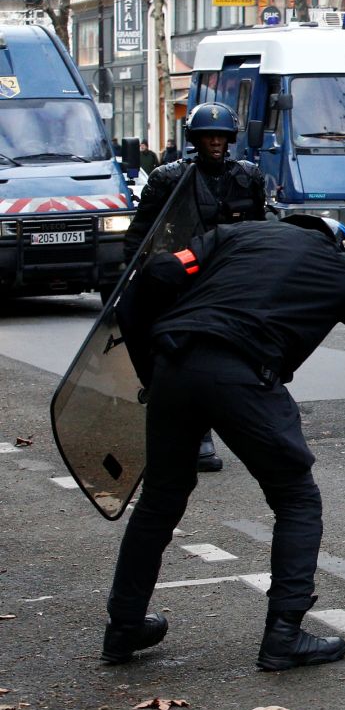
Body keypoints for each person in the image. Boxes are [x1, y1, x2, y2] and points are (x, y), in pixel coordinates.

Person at [101, 217, 345, 671]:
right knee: (296, 498)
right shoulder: (336, 265)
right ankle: (284, 634)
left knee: (160, 501)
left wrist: (156, 374)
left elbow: (154, 277)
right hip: (242, 370)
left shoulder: (235, 236)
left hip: (174, 364)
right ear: (338, 243)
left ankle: (123, 627)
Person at [125, 102, 267, 473]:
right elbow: (141, 236)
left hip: (230, 281)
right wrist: (135, 278)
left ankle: (254, 430)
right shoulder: (168, 178)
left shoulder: (248, 177)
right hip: (183, 277)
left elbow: (260, 231)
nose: (215, 143)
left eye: (221, 136)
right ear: (195, 140)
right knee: (182, 352)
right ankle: (192, 431)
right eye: (208, 136)